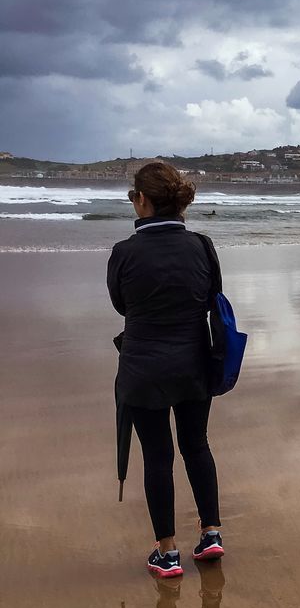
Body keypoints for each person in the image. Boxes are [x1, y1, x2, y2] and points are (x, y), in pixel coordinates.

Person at [108, 161, 224, 578]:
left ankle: (168, 553)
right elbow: (213, 295)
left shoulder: (125, 252)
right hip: (194, 362)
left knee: (158, 457)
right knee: (197, 446)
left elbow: (121, 305)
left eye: (132, 196)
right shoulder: (202, 246)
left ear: (142, 200)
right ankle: (211, 534)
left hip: (144, 368)